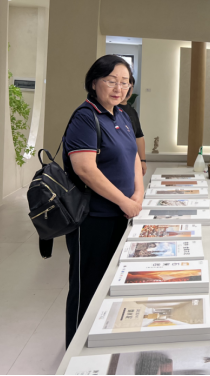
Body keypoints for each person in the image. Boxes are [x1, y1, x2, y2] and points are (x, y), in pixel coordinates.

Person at [63, 55, 144, 347]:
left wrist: (138, 194)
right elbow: (85, 169)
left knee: (113, 282)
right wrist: (124, 201)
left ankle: (103, 339)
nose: (118, 88)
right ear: (94, 82)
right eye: (111, 81)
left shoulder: (122, 115)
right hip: (93, 218)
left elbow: (133, 156)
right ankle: (76, 349)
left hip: (121, 215)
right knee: (88, 286)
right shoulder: (85, 117)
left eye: (125, 82)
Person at [118, 75, 147, 175]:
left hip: (132, 161)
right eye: (124, 84)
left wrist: (143, 160)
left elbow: (139, 136)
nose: (128, 90)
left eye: (130, 86)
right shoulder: (111, 109)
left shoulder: (132, 111)